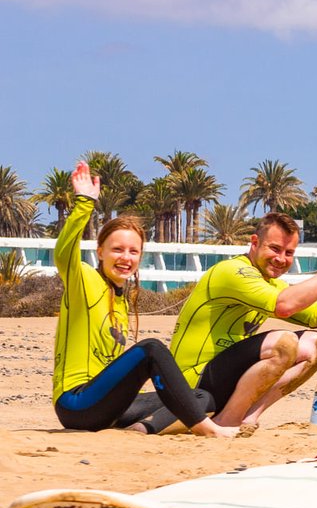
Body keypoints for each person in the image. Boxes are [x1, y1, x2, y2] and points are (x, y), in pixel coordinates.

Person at [51, 161, 236, 437]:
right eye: (117, 249)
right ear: (100, 251)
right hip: (77, 403)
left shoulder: (123, 300)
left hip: (108, 407)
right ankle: (208, 429)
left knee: (199, 396)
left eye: (133, 251)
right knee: (151, 349)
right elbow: (64, 253)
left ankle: (141, 430)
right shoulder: (85, 281)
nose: (126, 258)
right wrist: (84, 204)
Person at [168, 211, 317, 430]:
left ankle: (247, 416)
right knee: (284, 343)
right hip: (190, 384)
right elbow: (284, 306)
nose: (281, 258)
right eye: (274, 249)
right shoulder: (232, 271)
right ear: (255, 242)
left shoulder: (271, 284)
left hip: (224, 383)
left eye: (289, 252)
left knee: (315, 344)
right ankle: (228, 420)